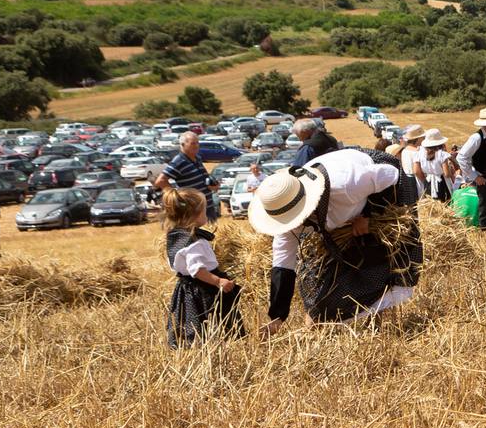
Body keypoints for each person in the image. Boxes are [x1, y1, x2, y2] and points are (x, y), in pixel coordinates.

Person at [250, 148, 422, 335]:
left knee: (383, 263)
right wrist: (277, 316)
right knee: (318, 277)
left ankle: (378, 325)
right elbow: (283, 266)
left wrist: (369, 215)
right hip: (340, 213)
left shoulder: (348, 184)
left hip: (380, 188)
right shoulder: (285, 217)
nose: (295, 223)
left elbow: (391, 175)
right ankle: (320, 325)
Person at [161, 187, 244, 348]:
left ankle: (196, 344)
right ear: (194, 215)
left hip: (187, 288)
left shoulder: (177, 237)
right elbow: (197, 270)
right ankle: (216, 345)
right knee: (212, 319)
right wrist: (218, 281)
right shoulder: (195, 242)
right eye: (204, 210)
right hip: (204, 289)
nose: (206, 213)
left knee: (189, 322)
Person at [155, 131, 219, 222]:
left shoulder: (197, 158)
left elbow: (202, 178)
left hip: (207, 206)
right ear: (183, 145)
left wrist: (212, 185)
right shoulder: (179, 161)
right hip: (194, 210)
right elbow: (160, 181)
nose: (196, 146)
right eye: (192, 143)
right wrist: (177, 198)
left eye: (197, 143)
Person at [415, 129, 454, 201]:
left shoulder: (419, 153)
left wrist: (425, 180)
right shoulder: (442, 154)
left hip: (428, 182)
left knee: (430, 205)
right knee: (444, 204)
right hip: (442, 183)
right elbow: (447, 174)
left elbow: (416, 171)